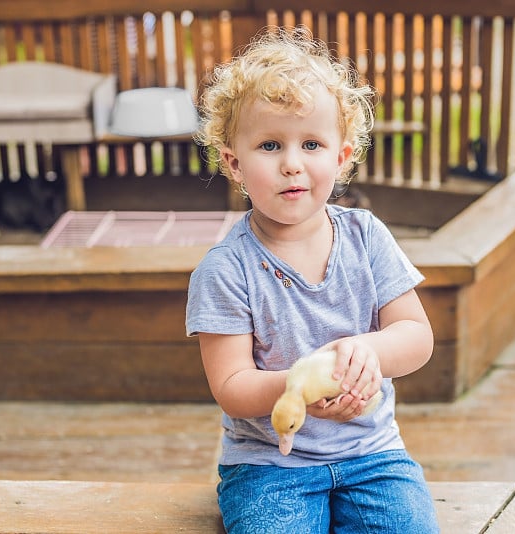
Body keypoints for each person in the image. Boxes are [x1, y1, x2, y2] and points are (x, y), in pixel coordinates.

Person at [186, 26, 439, 533]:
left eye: (311, 144)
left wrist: (369, 353)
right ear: (234, 163)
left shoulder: (365, 237)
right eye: (270, 145)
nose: (292, 164)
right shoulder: (226, 269)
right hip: (268, 465)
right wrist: (300, 385)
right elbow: (232, 386)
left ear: (341, 157)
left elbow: (417, 336)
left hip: (372, 455)